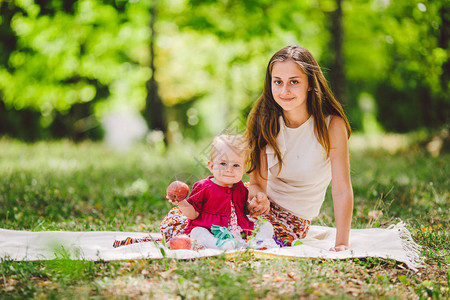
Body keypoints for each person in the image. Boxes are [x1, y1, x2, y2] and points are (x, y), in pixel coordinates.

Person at [245, 45, 353, 252]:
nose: (284, 91)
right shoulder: (265, 120)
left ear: (310, 84)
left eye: (294, 82)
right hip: (263, 208)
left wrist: (341, 243)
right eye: (278, 82)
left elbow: (341, 189)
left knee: (241, 233)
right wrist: (258, 198)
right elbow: (257, 183)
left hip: (292, 220)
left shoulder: (332, 125)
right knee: (196, 213)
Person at [160, 134, 276, 250]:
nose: (229, 169)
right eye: (223, 163)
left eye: (236, 165)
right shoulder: (203, 187)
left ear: (244, 168)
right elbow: (193, 214)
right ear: (211, 166)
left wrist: (252, 206)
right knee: (197, 232)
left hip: (238, 229)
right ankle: (221, 244)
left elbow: (242, 209)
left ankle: (258, 243)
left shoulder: (239, 186)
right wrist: (181, 202)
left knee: (266, 225)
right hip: (211, 230)